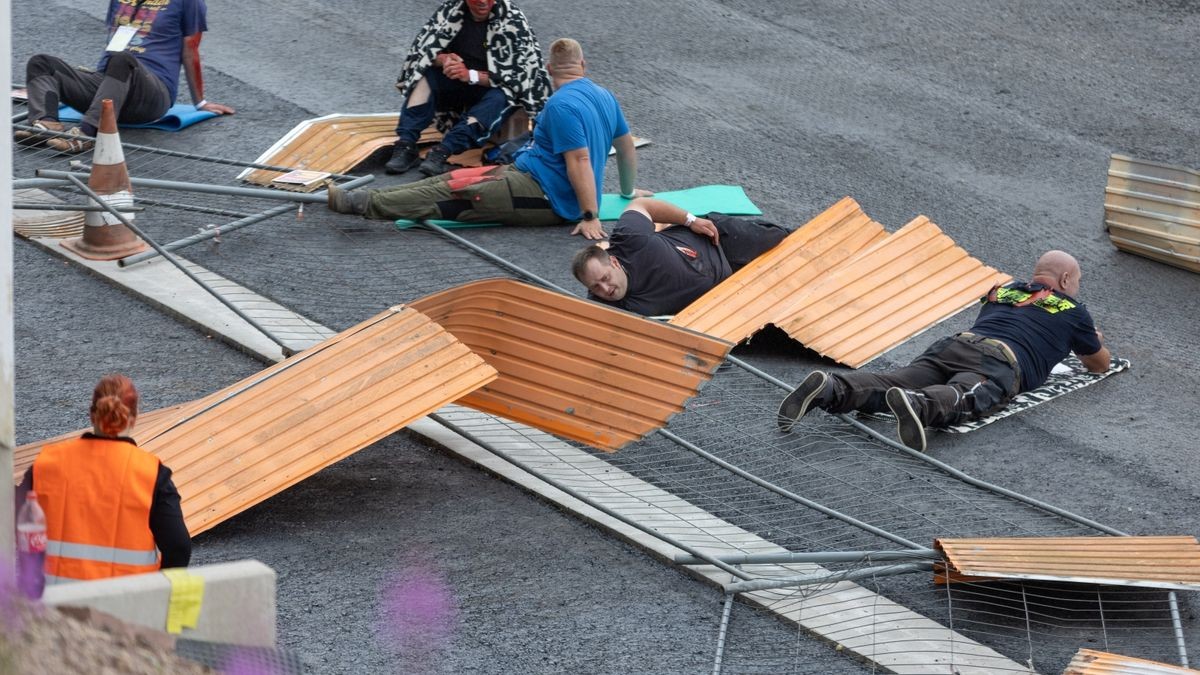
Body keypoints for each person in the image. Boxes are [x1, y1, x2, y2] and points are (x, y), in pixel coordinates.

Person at [777, 250, 1112, 452]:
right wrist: (1089, 335)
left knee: (896, 379)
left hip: (956, 344)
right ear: (1066, 279)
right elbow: (1099, 363)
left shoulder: (1005, 289)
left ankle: (832, 387)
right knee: (969, 394)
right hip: (997, 361)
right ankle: (921, 406)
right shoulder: (1072, 309)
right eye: (1078, 281)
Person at [327, 38, 649, 238]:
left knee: (454, 196)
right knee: (452, 178)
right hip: (526, 174)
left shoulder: (560, 105)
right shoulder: (604, 95)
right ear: (583, 65)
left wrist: (590, 216)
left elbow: (578, 159)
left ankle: (363, 203)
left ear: (550, 68)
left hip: (546, 197)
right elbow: (624, 148)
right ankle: (369, 197)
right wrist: (627, 190)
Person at [17, 375, 191, 583]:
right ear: (134, 418)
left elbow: (13, 518)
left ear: (92, 415)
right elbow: (178, 547)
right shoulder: (151, 473)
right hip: (126, 605)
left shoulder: (47, 464)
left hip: (53, 604)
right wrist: (155, 592)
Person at [16, 0, 233, 154]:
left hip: (152, 95)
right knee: (42, 62)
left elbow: (191, 49)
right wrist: (99, 84)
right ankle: (46, 125)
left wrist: (200, 102)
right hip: (113, 86)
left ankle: (86, 134)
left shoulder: (188, 2)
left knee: (123, 59)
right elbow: (113, 40)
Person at [385, 0, 551, 176]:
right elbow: (422, 54)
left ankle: (443, 150)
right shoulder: (451, 11)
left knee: (501, 97)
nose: (482, 3)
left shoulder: (512, 20)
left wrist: (470, 75)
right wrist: (444, 60)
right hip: (456, 84)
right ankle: (406, 144)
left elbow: (518, 79)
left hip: (490, 88)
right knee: (425, 78)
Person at [572, 197, 791, 316]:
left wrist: (691, 220)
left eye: (605, 279)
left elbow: (641, 204)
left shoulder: (630, 239)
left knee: (784, 241)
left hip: (719, 244)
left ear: (614, 261)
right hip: (721, 302)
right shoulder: (604, 307)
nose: (605, 290)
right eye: (595, 288)